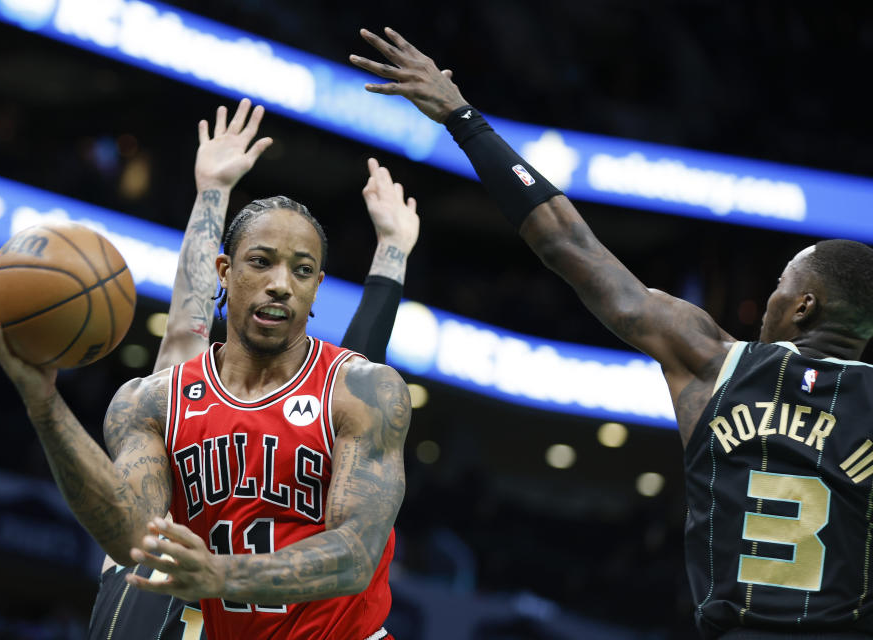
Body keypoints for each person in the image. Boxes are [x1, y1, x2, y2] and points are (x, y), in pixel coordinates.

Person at [350, 27, 873, 639]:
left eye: (781, 284)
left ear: (804, 305)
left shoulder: (714, 362)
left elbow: (568, 245)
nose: (768, 299)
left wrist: (464, 119)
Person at [0, 98, 413, 639]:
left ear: (316, 287)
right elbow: (130, 536)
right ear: (225, 274)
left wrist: (394, 249)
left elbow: (357, 556)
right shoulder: (161, 398)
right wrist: (45, 406)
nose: (282, 282)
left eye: (302, 271)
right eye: (262, 262)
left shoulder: (360, 389)